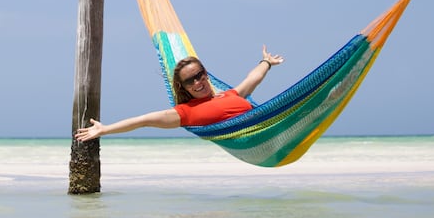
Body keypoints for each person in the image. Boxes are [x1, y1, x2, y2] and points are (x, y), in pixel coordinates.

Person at [74, 45, 284, 142]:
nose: (197, 82)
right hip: (259, 139)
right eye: (190, 81)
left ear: (205, 74)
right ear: (183, 87)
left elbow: (252, 79)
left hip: (274, 125)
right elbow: (143, 120)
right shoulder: (185, 113)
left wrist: (266, 62)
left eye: (199, 75)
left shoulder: (231, 94)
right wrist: (104, 129)